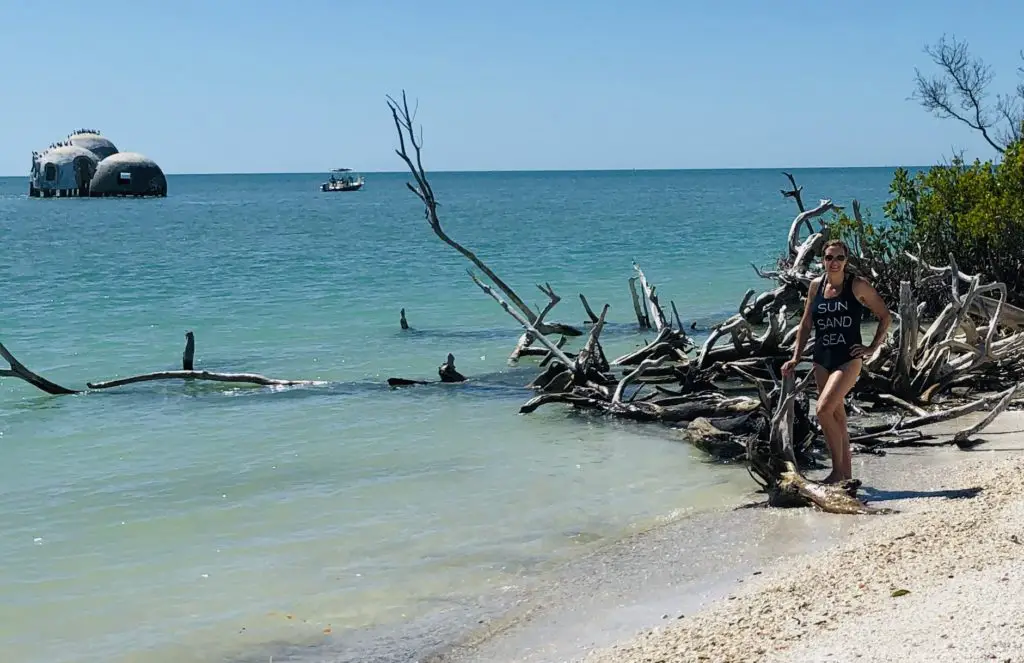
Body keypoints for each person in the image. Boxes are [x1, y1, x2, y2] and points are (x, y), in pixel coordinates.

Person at [782, 239, 891, 484]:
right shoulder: (815, 286)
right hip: (822, 358)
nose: (834, 262)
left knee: (822, 409)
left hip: (848, 359)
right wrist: (796, 357)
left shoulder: (857, 285)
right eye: (829, 257)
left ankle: (836, 473)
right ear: (823, 260)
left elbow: (885, 315)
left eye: (839, 258)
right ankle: (846, 476)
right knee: (837, 417)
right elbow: (806, 323)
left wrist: (873, 347)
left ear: (846, 261)